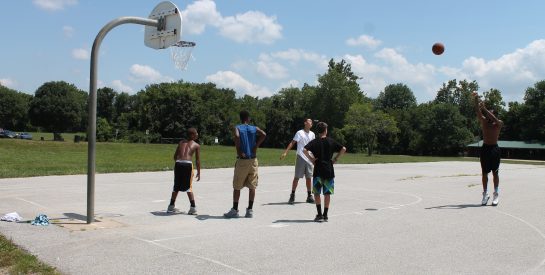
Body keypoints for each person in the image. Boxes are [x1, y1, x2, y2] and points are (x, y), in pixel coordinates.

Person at [224, 111, 267, 218]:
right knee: (252, 186)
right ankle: (250, 210)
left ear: (241, 118)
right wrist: (256, 146)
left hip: (243, 160)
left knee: (237, 186)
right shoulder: (254, 128)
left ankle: (235, 209)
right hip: (253, 160)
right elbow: (264, 134)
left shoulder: (238, 127)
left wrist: (238, 149)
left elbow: (237, 136)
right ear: (248, 118)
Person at [303, 122, 346, 222]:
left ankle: (319, 214)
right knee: (327, 193)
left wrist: (311, 159)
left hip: (318, 170)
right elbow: (343, 148)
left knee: (317, 193)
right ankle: (325, 214)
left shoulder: (314, 142)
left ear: (318, 131)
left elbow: (304, 150)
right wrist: (335, 159)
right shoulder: (331, 141)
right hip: (329, 170)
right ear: (326, 130)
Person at [473, 92, 503, 206]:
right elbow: (478, 112)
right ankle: (485, 194)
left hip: (495, 149)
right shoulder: (485, 122)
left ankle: (496, 193)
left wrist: (485, 109)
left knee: (495, 173)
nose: (488, 116)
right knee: (484, 173)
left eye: (491, 114)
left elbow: (494, 118)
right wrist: (476, 100)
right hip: (485, 149)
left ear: (494, 115)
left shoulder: (499, 123)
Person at [280, 118, 316, 204]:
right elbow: (293, 142)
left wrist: (315, 157)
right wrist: (285, 152)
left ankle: (309, 196)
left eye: (311, 122)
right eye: (309, 121)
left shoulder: (312, 134)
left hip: (309, 158)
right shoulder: (299, 133)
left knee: (309, 178)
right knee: (297, 177)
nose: (310, 122)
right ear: (305, 123)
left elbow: (314, 146)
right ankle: (292, 195)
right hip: (301, 157)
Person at [167, 128, 201, 214]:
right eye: (196, 133)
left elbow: (175, 157)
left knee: (176, 186)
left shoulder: (181, 142)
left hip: (178, 163)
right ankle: (193, 207)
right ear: (192, 135)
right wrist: (199, 172)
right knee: (188, 187)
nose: (197, 135)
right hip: (187, 164)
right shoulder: (196, 145)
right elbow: (197, 160)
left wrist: (179, 164)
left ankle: (171, 206)